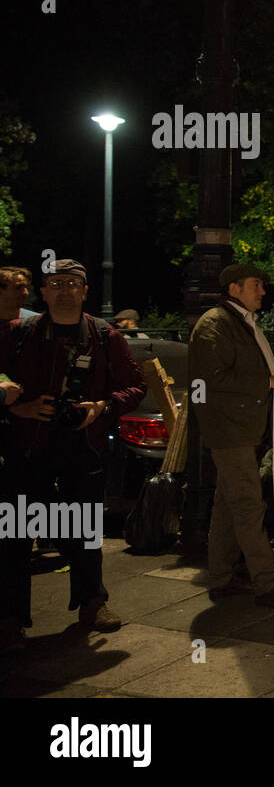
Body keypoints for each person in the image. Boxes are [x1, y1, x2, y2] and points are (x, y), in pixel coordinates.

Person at [0, 260, 147, 649]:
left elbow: (135, 386)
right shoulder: (18, 333)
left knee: (83, 529)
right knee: (15, 533)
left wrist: (100, 408)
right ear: (43, 293)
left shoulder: (103, 335)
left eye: (72, 283)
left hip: (83, 446)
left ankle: (92, 603)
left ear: (84, 292)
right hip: (25, 445)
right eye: (55, 283)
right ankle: (10, 619)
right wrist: (18, 408)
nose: (64, 289)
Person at [189, 263, 274, 610]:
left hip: (242, 428)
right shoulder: (215, 324)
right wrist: (265, 382)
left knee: (228, 505)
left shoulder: (237, 322)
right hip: (230, 431)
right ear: (234, 289)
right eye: (255, 285)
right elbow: (209, 379)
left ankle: (223, 577)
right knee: (247, 504)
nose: (262, 291)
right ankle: (267, 583)